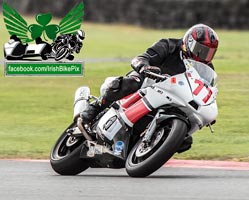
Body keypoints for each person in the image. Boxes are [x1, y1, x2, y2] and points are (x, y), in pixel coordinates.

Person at [81, 24, 219, 152]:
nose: (203, 56)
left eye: (208, 53)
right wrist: (144, 66)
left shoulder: (206, 69)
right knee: (131, 83)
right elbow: (142, 57)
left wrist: (206, 107)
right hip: (148, 81)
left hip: (174, 97)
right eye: (200, 50)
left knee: (185, 140)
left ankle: (152, 144)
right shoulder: (169, 45)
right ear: (189, 43)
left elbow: (207, 91)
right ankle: (96, 106)